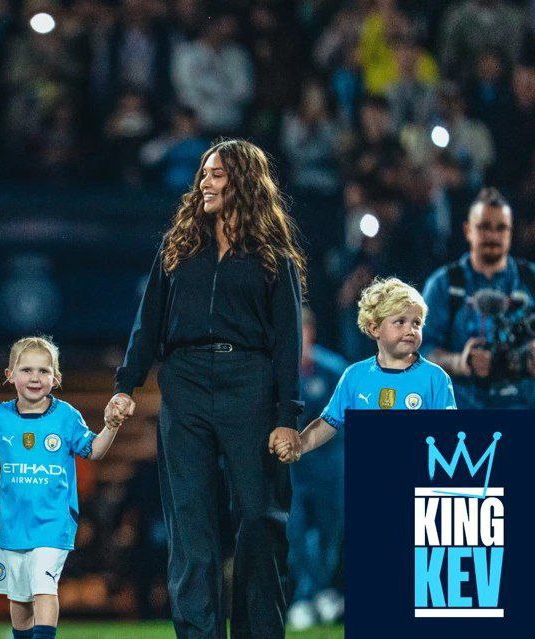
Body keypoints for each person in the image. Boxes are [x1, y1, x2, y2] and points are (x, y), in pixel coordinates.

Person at [106, 139, 306, 639]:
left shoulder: (273, 256)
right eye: (203, 174)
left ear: (244, 182)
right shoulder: (179, 247)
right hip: (186, 383)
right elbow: (148, 321)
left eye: (216, 174)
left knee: (259, 518)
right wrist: (127, 384)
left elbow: (288, 342)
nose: (204, 183)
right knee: (191, 526)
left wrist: (287, 416)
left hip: (251, 384)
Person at [0, 337, 123, 639]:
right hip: (11, 524)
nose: (35, 377)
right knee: (20, 598)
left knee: (43, 587)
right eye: (26, 370)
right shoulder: (0, 416)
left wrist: (111, 425)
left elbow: (94, 450)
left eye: (43, 371)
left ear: (55, 378)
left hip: (53, 524)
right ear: (10, 375)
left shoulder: (66, 417)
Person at [277, 278, 456, 464]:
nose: (411, 330)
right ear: (375, 328)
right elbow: (328, 424)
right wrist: (299, 445)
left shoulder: (435, 377)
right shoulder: (355, 376)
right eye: (400, 321)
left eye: (417, 323)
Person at [421, 188, 535, 409]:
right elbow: (421, 349)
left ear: (511, 232)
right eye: (484, 227)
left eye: (501, 228)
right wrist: (461, 362)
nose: (493, 236)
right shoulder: (444, 284)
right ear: (467, 230)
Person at [285, 307, 348, 631]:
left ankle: (315, 593)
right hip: (293, 467)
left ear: (312, 333)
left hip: (329, 464)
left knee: (329, 530)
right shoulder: (278, 371)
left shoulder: (334, 369)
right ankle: (312, 594)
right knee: (294, 531)